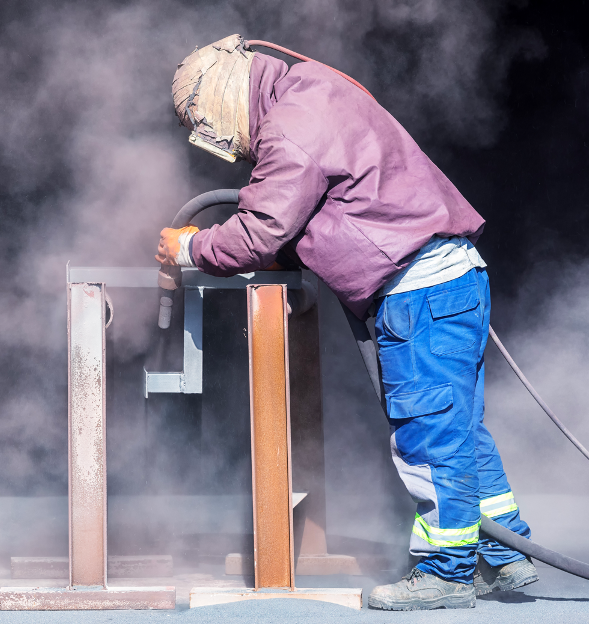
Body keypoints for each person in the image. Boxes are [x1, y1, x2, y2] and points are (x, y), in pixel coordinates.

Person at [157, 34, 537, 611]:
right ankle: (507, 555)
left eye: (204, 123)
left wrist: (189, 247)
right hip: (452, 282)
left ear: (222, 98)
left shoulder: (289, 129)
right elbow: (324, 210)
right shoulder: (314, 88)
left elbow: (260, 230)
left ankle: (447, 572)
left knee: (429, 436)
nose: (222, 145)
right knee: (459, 429)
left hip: (420, 294)